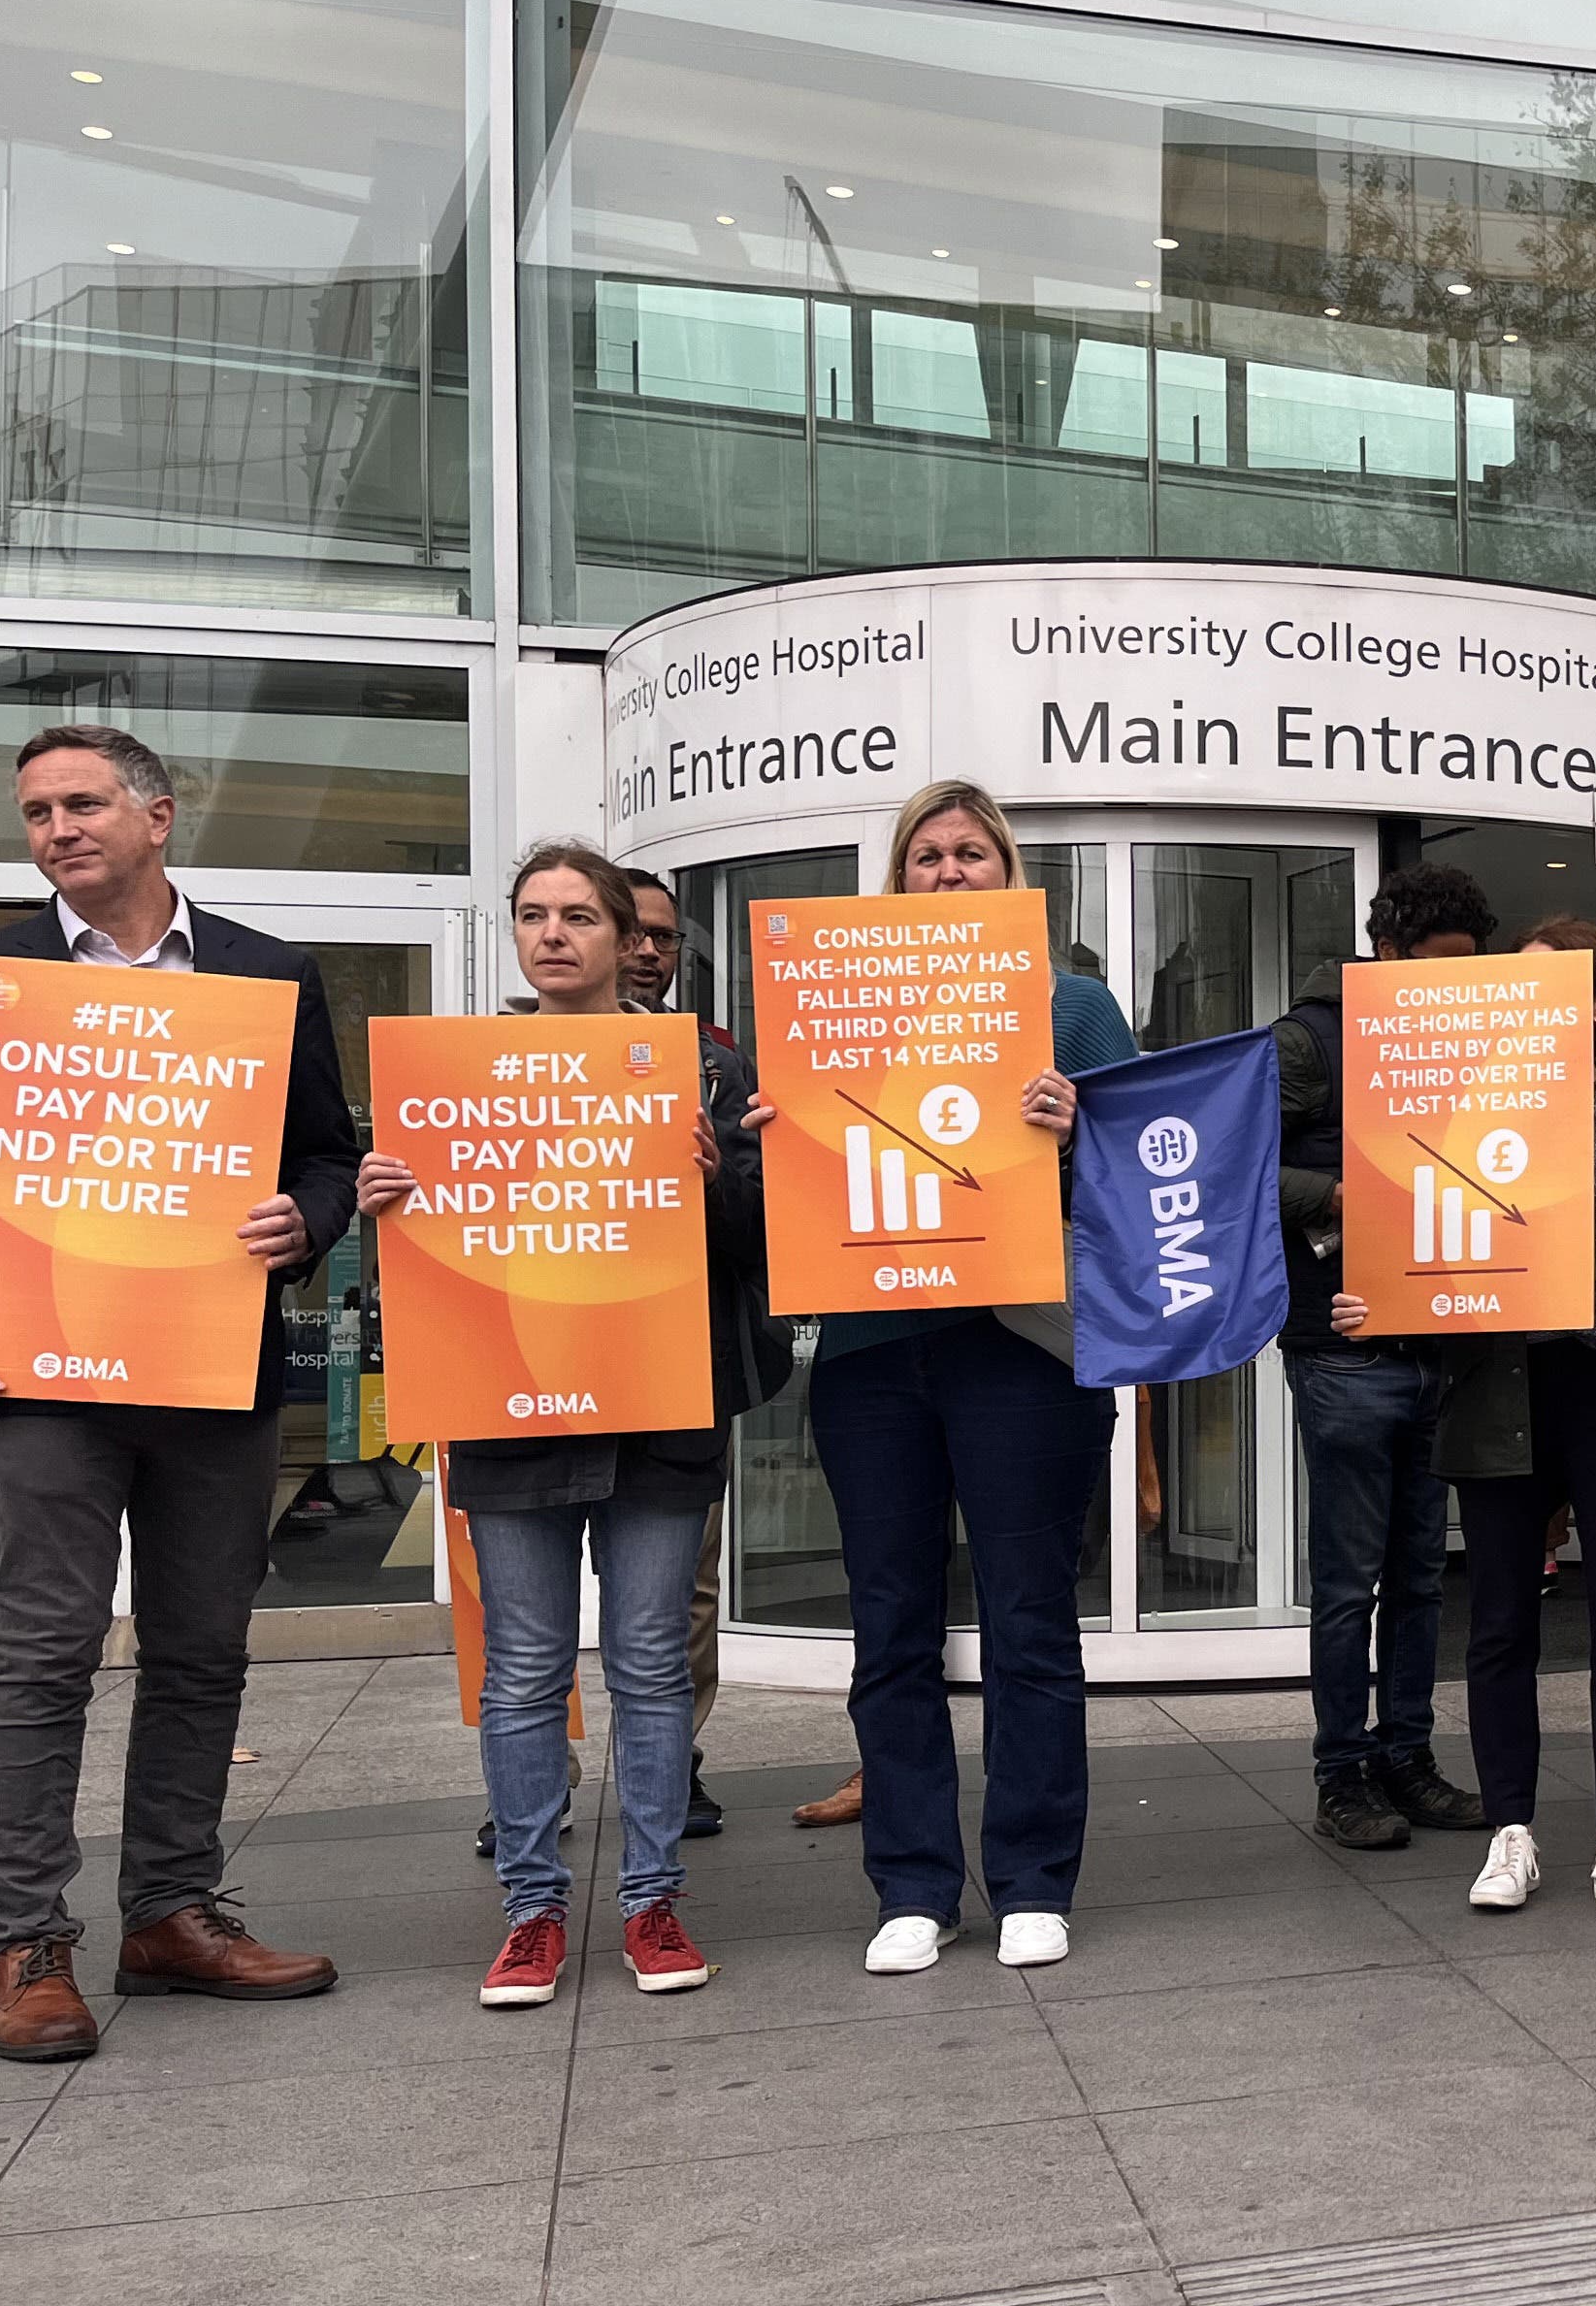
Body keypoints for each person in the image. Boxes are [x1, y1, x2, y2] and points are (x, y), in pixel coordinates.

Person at [0, 725, 361, 2061]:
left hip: (209, 1370)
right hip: (39, 1375)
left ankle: (171, 1913)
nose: (56, 830)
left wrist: (302, 1222)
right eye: (35, 813)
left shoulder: (268, 975)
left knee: (203, 1649)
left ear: (159, 815)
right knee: (44, 1652)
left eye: (83, 803)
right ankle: (24, 1944)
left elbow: (327, 1154)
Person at [359, 843, 786, 2007]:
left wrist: (716, 1178)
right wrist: (386, 1200)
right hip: (512, 1406)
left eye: (579, 916)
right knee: (525, 1671)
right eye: (533, 915)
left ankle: (651, 1899)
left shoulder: (698, 1071)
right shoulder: (458, 1079)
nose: (554, 935)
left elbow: (765, 1245)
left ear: (625, 934)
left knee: (649, 1663)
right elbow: (424, 1256)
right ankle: (533, 1913)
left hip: (655, 1402)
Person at [781, 781, 1130, 1977]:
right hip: (874, 1354)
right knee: (890, 1628)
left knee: (1031, 1621)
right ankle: (914, 1884)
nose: (946, 871)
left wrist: (1080, 1122)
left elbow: (1144, 1185)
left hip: (1023, 1349)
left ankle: (1037, 1878)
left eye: (969, 852)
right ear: (896, 878)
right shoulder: (833, 1005)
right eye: (924, 854)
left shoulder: (1073, 1008)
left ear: (1010, 871)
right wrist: (779, 1129)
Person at [1332, 917, 1596, 1925]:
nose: (1529, 1003)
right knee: (1498, 1623)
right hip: (1496, 1382)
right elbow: (1422, 1241)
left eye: (1554, 985)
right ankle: (1510, 1830)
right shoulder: (1455, 1100)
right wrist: (1376, 1304)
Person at [1274, 862, 1494, 1850]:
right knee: (1349, 1579)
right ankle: (1341, 1773)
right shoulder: (1310, 1039)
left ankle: (1407, 1757)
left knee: (1416, 1574)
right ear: (1392, 952)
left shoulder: (1465, 1043)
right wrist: (1335, 1198)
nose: (1456, 988)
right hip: (1343, 1346)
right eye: (1442, 968)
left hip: (1436, 1345)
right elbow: (1230, 1162)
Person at [610, 863, 739, 1845]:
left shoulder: (716, 1063)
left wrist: (716, 1179)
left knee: (683, 1585)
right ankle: (528, 1769)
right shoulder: (491, 1054)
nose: (651, 950)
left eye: (667, 937)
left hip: (677, 1362)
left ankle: (674, 1761)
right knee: (516, 1606)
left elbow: (751, 1214)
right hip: (527, 1359)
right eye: (635, 931)